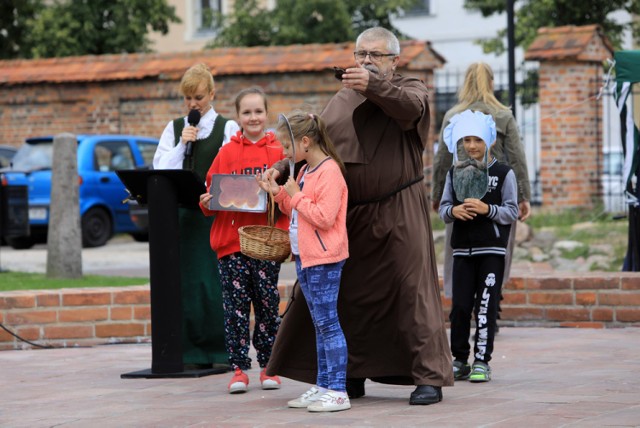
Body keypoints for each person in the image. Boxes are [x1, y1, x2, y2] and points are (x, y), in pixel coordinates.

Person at [265, 27, 453, 405]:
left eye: (375, 55)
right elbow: (316, 147)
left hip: (398, 209)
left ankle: (428, 375)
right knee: (347, 295)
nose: (366, 61)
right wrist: (282, 171)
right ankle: (349, 374)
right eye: (360, 54)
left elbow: (408, 109)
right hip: (349, 215)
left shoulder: (410, 87)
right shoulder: (341, 98)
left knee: (411, 290)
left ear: (393, 61)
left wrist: (373, 85)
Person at [257, 112, 350, 412]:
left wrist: (294, 197)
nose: (284, 153)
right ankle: (324, 384)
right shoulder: (305, 171)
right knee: (319, 325)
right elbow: (296, 211)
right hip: (306, 258)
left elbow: (324, 217)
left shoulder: (329, 172)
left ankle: (338, 390)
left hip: (324, 258)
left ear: (306, 142)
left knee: (328, 324)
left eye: (287, 145)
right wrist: (279, 195)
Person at [199, 87, 288, 394]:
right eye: (247, 112)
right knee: (236, 308)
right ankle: (238, 368)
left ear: (267, 114)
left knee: (267, 304)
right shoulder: (226, 153)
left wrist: (286, 233)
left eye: (258, 111)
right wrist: (207, 201)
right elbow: (210, 198)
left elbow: (287, 198)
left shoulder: (280, 153)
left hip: (265, 243)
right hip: (231, 243)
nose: (253, 118)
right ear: (237, 117)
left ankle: (268, 366)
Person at [152, 63, 240, 369]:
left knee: (213, 285)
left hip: (215, 219)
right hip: (183, 219)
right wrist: (183, 144)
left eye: (199, 97)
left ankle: (219, 351)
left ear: (212, 94)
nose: (193, 104)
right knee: (185, 285)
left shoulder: (227, 128)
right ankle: (186, 350)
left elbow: (234, 170)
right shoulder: (175, 128)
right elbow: (160, 170)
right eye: (188, 98)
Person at [431, 62, 531, 301]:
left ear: (464, 84)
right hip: (497, 194)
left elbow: (442, 160)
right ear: (492, 83)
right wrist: (522, 195)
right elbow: (516, 158)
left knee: (457, 251)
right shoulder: (503, 115)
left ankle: (461, 301)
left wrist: (437, 195)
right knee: (499, 250)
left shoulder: (453, 115)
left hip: (461, 195)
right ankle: (492, 299)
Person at [438, 109, 519, 382]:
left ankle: (482, 360)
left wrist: (488, 209)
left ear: (490, 141)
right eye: (466, 140)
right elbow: (443, 208)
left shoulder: (504, 173)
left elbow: (511, 211)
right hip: (462, 251)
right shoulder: (454, 173)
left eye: (477, 140)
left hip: (492, 252)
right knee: (460, 308)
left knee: (484, 307)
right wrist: (453, 212)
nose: (471, 146)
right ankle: (459, 360)